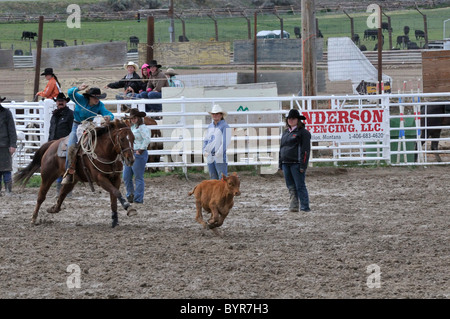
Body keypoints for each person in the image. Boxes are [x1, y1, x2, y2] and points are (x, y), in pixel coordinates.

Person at [61, 84, 114, 185]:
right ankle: (69, 171)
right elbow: (69, 93)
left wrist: (108, 117)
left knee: (99, 144)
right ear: (89, 97)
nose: (97, 100)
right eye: (95, 97)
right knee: (71, 146)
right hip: (77, 126)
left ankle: (96, 168)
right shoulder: (81, 99)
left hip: (90, 126)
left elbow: (108, 113)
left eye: (98, 97)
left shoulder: (100, 105)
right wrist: (78, 89)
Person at [279, 108, 311, 212]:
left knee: (300, 185)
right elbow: (281, 148)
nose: (291, 120)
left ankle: (304, 206)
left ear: (298, 120)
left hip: (296, 163)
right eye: (289, 118)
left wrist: (303, 165)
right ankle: (294, 205)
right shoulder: (286, 132)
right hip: (286, 162)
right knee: (291, 186)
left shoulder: (303, 133)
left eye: (293, 119)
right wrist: (280, 162)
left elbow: (305, 151)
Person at [123, 108, 151, 206]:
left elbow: (147, 139)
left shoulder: (142, 128)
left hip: (138, 153)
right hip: (131, 152)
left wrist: (141, 149)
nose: (133, 120)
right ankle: (131, 195)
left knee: (138, 177)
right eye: (132, 118)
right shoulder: (133, 128)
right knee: (126, 176)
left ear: (139, 118)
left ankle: (138, 198)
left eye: (135, 118)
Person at [48, 92, 74, 193]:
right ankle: (60, 190)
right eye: (59, 101)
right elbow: (51, 130)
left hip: (65, 145)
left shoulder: (70, 114)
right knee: (57, 167)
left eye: (62, 101)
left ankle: (65, 190)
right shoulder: (54, 115)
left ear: (65, 102)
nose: (60, 103)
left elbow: (73, 130)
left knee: (65, 167)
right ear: (56, 103)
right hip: (54, 145)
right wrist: (50, 143)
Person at [203, 104, 231, 180]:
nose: (215, 115)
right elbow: (206, 140)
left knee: (222, 178)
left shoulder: (225, 126)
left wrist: (218, 153)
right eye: (213, 114)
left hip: (220, 156)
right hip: (210, 155)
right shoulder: (210, 126)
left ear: (221, 115)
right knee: (213, 178)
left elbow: (226, 142)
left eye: (217, 113)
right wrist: (204, 150)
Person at [0, 96, 17, 196]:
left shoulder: (6, 113)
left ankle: (8, 190)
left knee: (6, 169)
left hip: (4, 144)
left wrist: (13, 144)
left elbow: (12, 130)